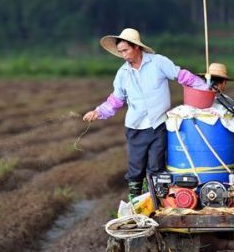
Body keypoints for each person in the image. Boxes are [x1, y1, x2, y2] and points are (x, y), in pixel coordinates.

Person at [83, 28, 208, 199]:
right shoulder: (122, 74)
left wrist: (204, 87)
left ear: (136, 47)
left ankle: (157, 201)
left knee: (156, 166)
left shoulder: (158, 63)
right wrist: (98, 111)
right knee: (136, 168)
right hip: (135, 127)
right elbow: (116, 100)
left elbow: (181, 76)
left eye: (126, 50)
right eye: (120, 52)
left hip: (158, 124)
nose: (124, 55)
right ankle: (135, 202)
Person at [198, 62, 234, 158]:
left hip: (197, 148)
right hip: (223, 151)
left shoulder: (195, 100)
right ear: (224, 83)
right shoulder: (230, 103)